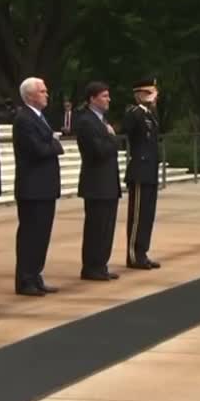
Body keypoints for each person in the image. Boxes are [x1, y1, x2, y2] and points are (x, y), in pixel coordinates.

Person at [12, 77, 64, 296]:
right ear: (30, 95)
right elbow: (39, 149)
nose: (46, 94)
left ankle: (35, 274)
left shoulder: (40, 117)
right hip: (32, 186)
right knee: (30, 235)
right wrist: (54, 144)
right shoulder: (24, 118)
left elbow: (48, 144)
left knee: (42, 234)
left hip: (45, 186)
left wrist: (51, 143)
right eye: (42, 91)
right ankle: (25, 279)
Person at [75, 81, 122, 280]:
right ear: (92, 99)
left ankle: (101, 264)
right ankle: (91, 266)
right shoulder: (87, 121)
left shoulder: (102, 120)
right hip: (96, 183)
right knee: (96, 227)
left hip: (108, 182)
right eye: (104, 96)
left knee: (107, 227)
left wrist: (109, 138)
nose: (108, 99)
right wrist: (113, 138)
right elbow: (99, 151)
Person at [122, 77, 161, 270]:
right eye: (149, 92)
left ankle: (142, 252)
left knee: (147, 215)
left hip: (150, 171)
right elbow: (129, 128)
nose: (154, 96)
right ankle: (133, 255)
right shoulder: (135, 113)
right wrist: (142, 103)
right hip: (139, 170)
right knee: (137, 216)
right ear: (139, 95)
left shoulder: (150, 115)